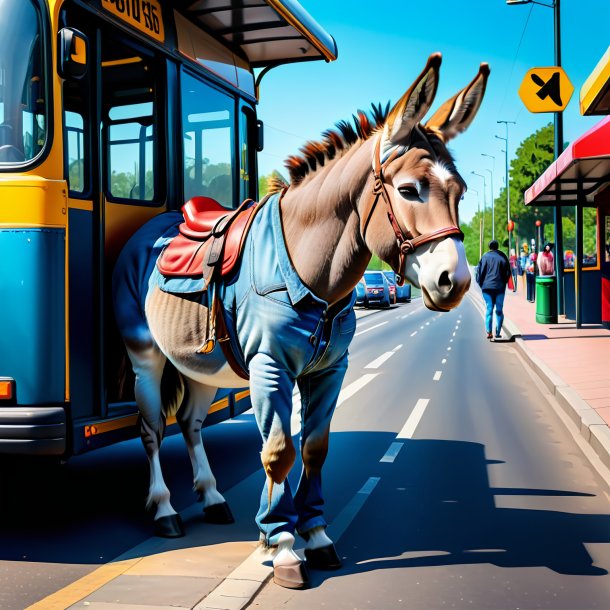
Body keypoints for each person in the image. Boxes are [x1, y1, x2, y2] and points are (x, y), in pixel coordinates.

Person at [476, 240, 511, 340]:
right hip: (500, 287)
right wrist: (503, 282)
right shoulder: (503, 257)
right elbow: (507, 273)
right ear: (497, 246)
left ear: (489, 246)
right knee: (499, 310)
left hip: (487, 288)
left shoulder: (485, 257)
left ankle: (489, 332)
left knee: (489, 308)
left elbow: (480, 273)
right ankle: (498, 332)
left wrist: (481, 284)